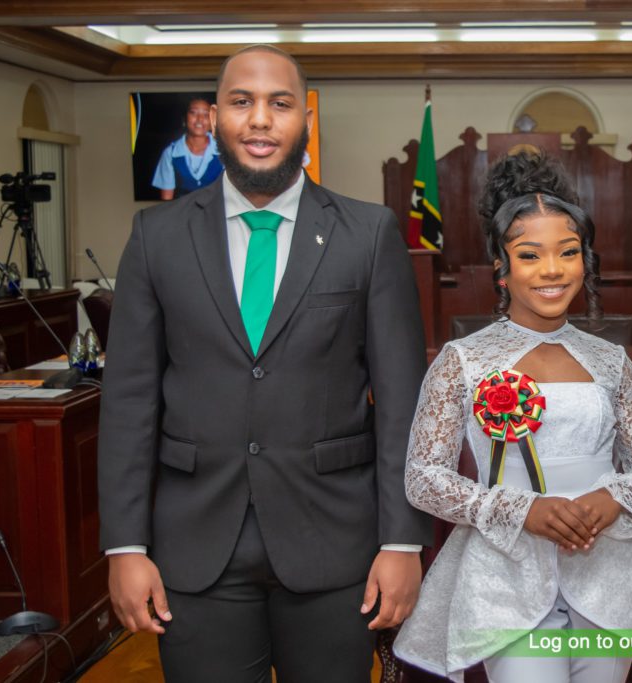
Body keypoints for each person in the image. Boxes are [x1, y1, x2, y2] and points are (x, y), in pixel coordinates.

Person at [99, 45, 429, 683]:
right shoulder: (155, 236)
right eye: (240, 101)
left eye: (279, 103)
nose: (259, 119)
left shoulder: (368, 233)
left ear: (305, 119)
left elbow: (402, 404)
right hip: (193, 550)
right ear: (213, 116)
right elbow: (129, 402)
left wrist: (402, 541)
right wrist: (125, 546)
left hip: (336, 546)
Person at [394, 152, 632, 683]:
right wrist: (520, 509)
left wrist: (612, 499)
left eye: (568, 253)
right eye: (530, 255)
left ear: (584, 261)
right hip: (506, 571)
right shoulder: (463, 362)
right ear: (501, 269)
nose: (552, 270)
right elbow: (423, 478)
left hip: (608, 563)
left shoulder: (611, 361)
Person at [152, 96, 224, 200]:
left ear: (212, 121)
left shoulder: (224, 151)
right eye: (193, 113)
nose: (200, 119)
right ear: (184, 119)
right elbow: (167, 200)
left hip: (215, 210)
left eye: (205, 114)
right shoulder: (171, 153)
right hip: (182, 210)